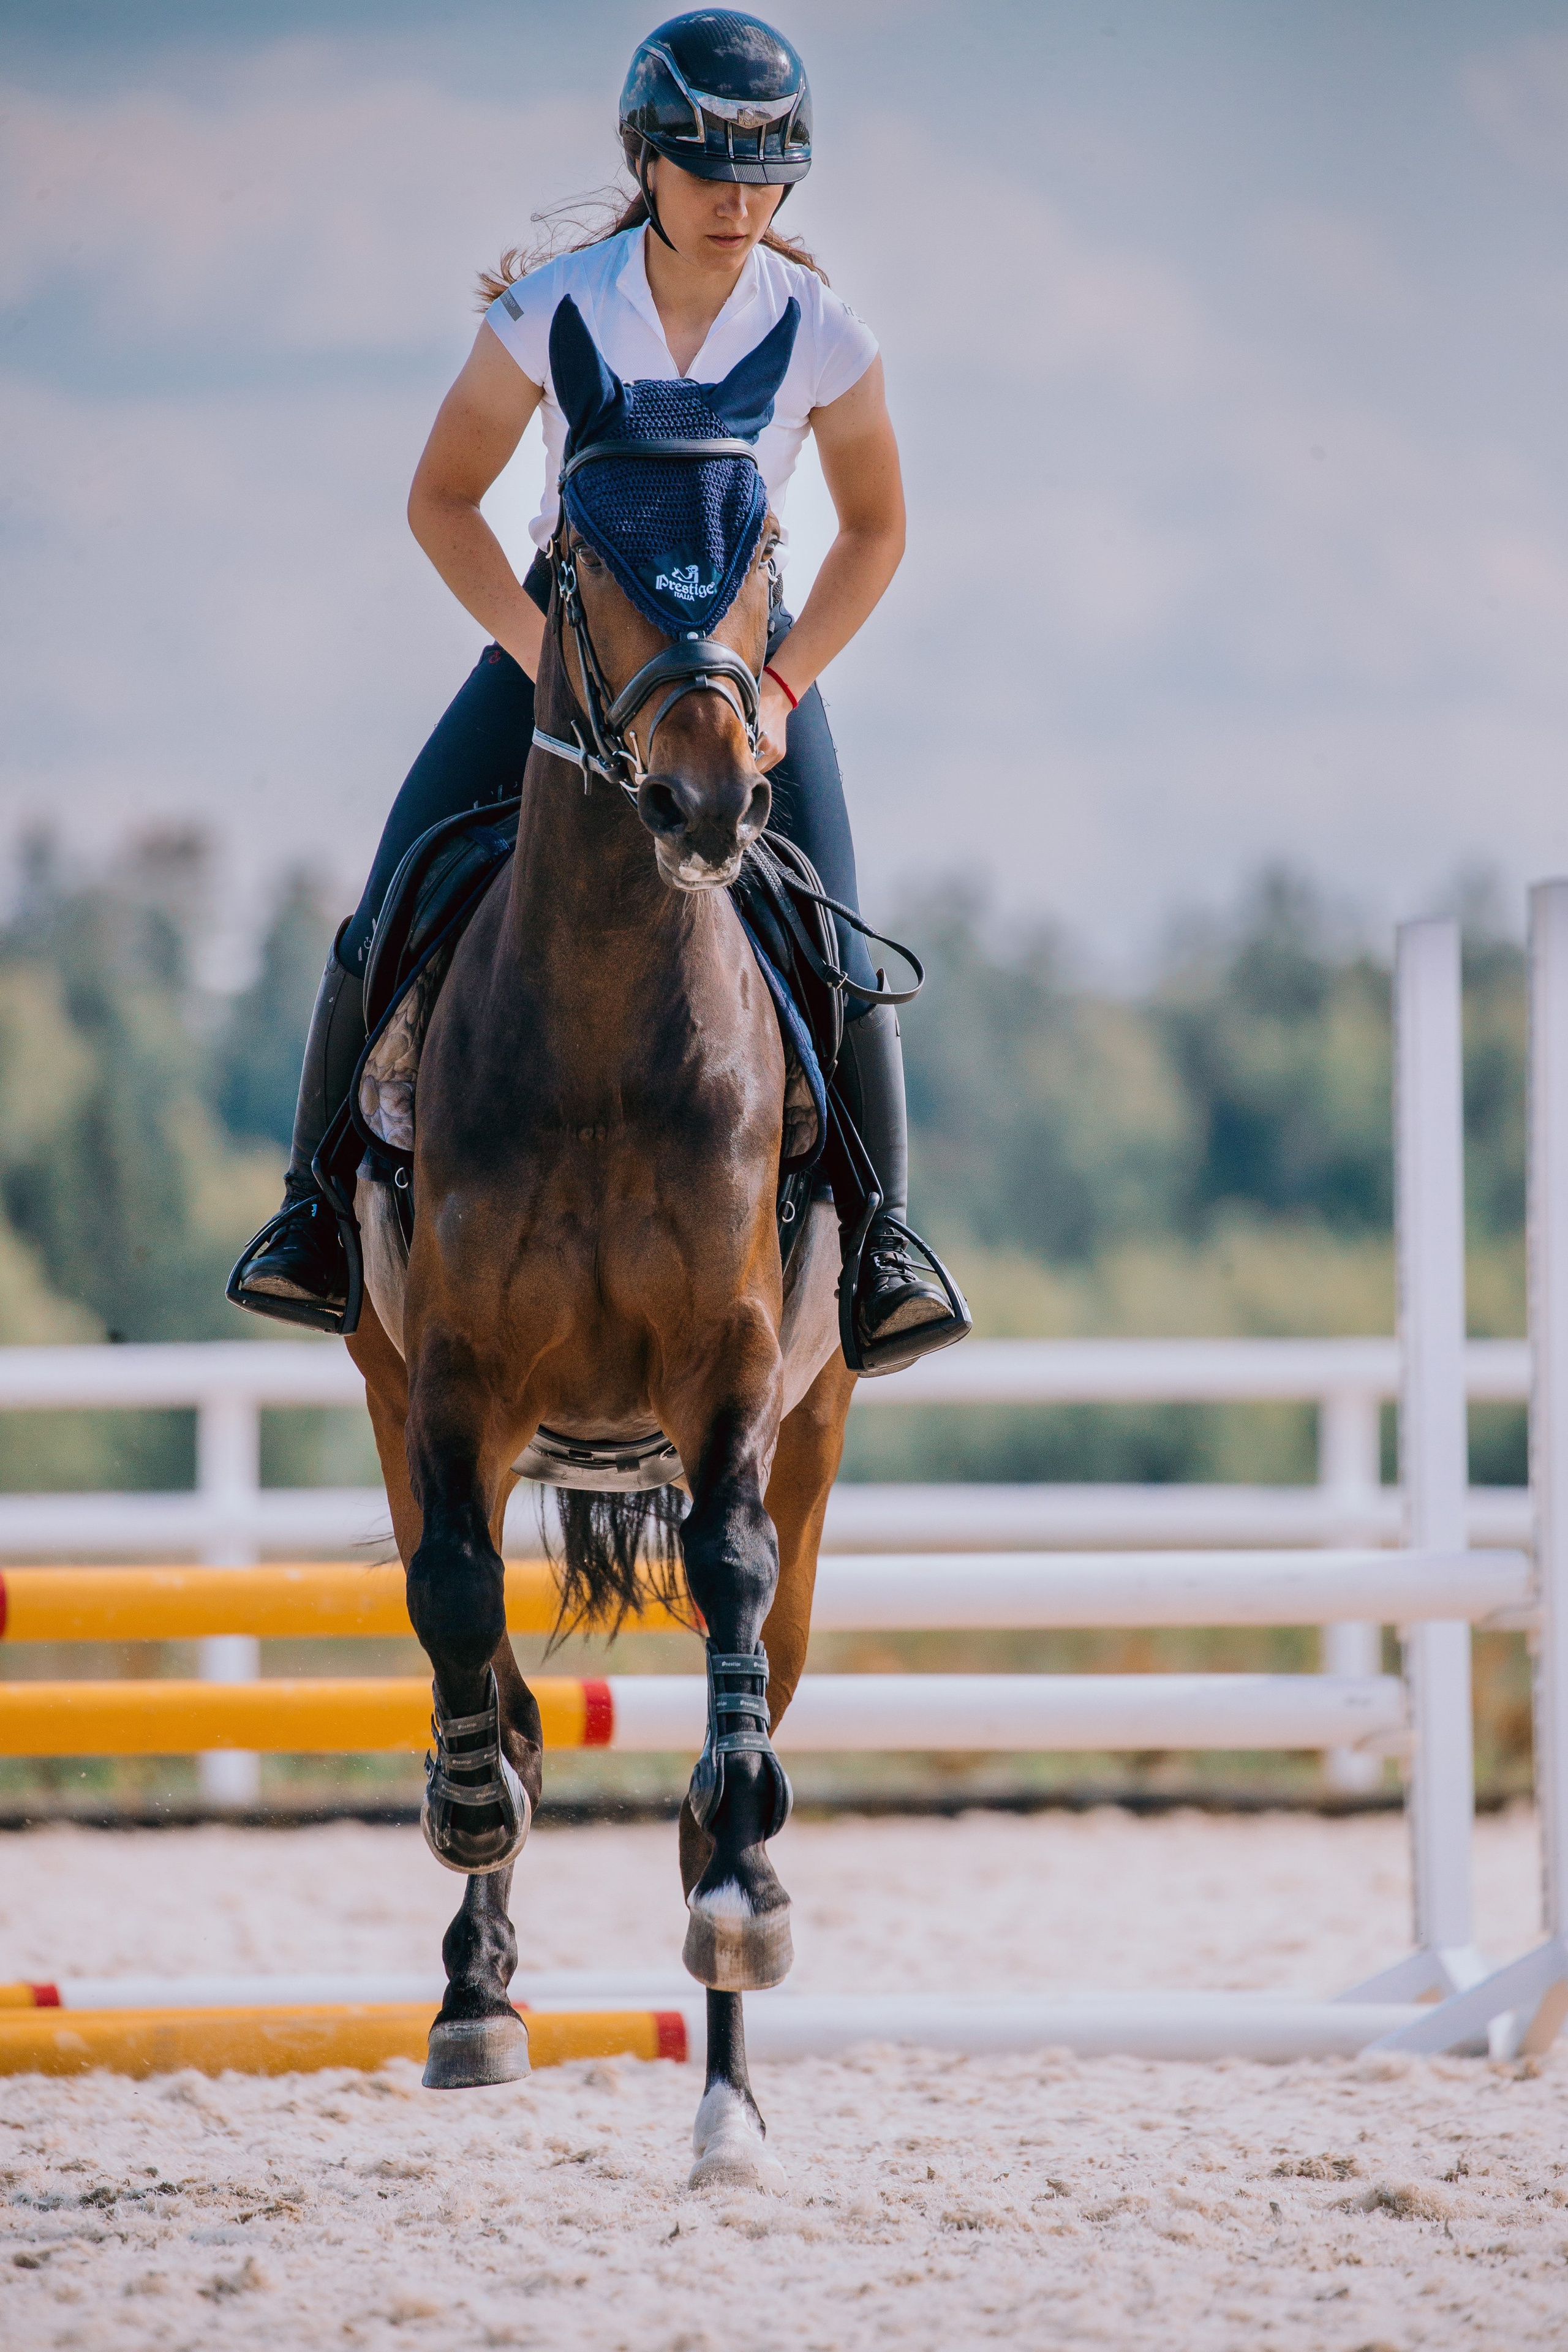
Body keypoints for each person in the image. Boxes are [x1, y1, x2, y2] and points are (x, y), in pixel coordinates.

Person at [232, 8, 962, 1369]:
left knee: (843, 953)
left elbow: (876, 531)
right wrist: (538, 662)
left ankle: (882, 1248)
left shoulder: (820, 332)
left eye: (766, 178)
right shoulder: (552, 309)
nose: (741, 204)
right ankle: (314, 1216)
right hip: (567, 650)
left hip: (737, 676)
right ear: (647, 160)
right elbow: (442, 500)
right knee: (385, 905)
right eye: (711, 171)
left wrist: (784, 689)